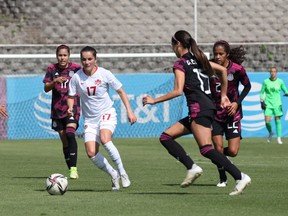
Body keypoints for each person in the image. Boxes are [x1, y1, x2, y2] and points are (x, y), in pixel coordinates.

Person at [142, 30, 251, 195]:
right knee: (166, 137)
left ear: (178, 44)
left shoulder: (180, 64)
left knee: (206, 148)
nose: (173, 48)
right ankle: (193, 167)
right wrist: (222, 95)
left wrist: (154, 101)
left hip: (199, 109)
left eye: (173, 45)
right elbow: (222, 71)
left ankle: (239, 176)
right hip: (207, 108)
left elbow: (178, 91)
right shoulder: (200, 60)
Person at [67, 46, 137, 191]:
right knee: (91, 152)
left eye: (89, 59)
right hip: (90, 120)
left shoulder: (105, 74)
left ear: (95, 59)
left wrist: (130, 112)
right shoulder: (76, 77)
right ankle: (113, 174)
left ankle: (123, 173)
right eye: (84, 59)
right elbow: (71, 95)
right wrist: (70, 107)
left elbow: (121, 91)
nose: (86, 62)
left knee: (105, 139)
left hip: (107, 113)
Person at [210, 40, 251, 187]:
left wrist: (236, 103)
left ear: (227, 54)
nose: (218, 56)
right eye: (215, 54)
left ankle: (218, 157)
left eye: (221, 54)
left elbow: (247, 86)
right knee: (218, 148)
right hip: (215, 114)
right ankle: (223, 177)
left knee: (233, 151)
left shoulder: (237, 69)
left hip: (232, 113)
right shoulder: (209, 68)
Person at [43, 44, 81, 179]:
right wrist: (55, 81)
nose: (62, 58)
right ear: (56, 56)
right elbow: (46, 88)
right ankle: (71, 168)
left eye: (64, 55)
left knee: (70, 134)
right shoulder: (51, 69)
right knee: (65, 141)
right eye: (60, 55)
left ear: (69, 56)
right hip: (57, 110)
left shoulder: (76, 69)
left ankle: (74, 169)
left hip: (72, 107)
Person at [260, 67, 288, 144]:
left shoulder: (280, 81)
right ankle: (270, 132)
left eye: (274, 71)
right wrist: (262, 101)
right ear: (270, 73)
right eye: (271, 71)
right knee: (267, 121)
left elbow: (285, 89)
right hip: (268, 104)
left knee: (277, 120)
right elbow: (262, 92)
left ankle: (279, 138)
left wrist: (286, 93)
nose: (273, 73)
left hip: (277, 104)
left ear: (276, 73)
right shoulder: (266, 82)